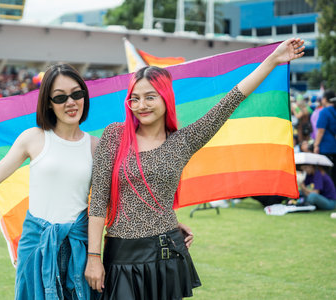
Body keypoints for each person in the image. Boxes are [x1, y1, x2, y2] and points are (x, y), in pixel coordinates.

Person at [85, 38, 305, 299]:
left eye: (149, 97)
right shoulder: (114, 135)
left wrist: (273, 59)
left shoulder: (182, 141)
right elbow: (98, 200)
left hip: (165, 254)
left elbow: (230, 101)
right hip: (119, 256)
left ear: (165, 98)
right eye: (135, 98)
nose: (141, 105)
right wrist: (93, 257)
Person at [0, 64, 100, 300]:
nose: (71, 102)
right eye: (60, 97)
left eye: (77, 94)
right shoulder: (33, 138)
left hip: (79, 247)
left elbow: (109, 201)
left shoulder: (96, 146)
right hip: (36, 246)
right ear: (48, 102)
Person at [314, 90, 336, 184]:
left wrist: (316, 145)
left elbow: (321, 131)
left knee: (325, 173)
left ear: (325, 99)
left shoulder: (324, 111)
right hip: (334, 146)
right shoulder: (334, 110)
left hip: (326, 147)